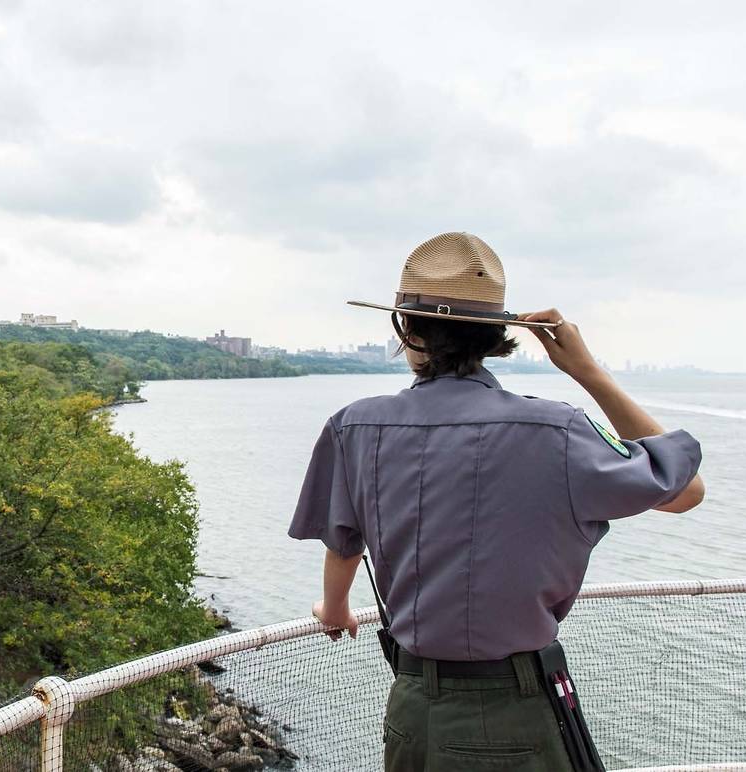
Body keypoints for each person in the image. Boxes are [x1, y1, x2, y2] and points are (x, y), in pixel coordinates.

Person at [292, 233, 704, 772]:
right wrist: (589, 372)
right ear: (495, 335)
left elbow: (343, 543)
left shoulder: (354, 425)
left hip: (411, 710)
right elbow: (685, 493)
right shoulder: (557, 431)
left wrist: (336, 609)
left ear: (405, 328)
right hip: (513, 711)